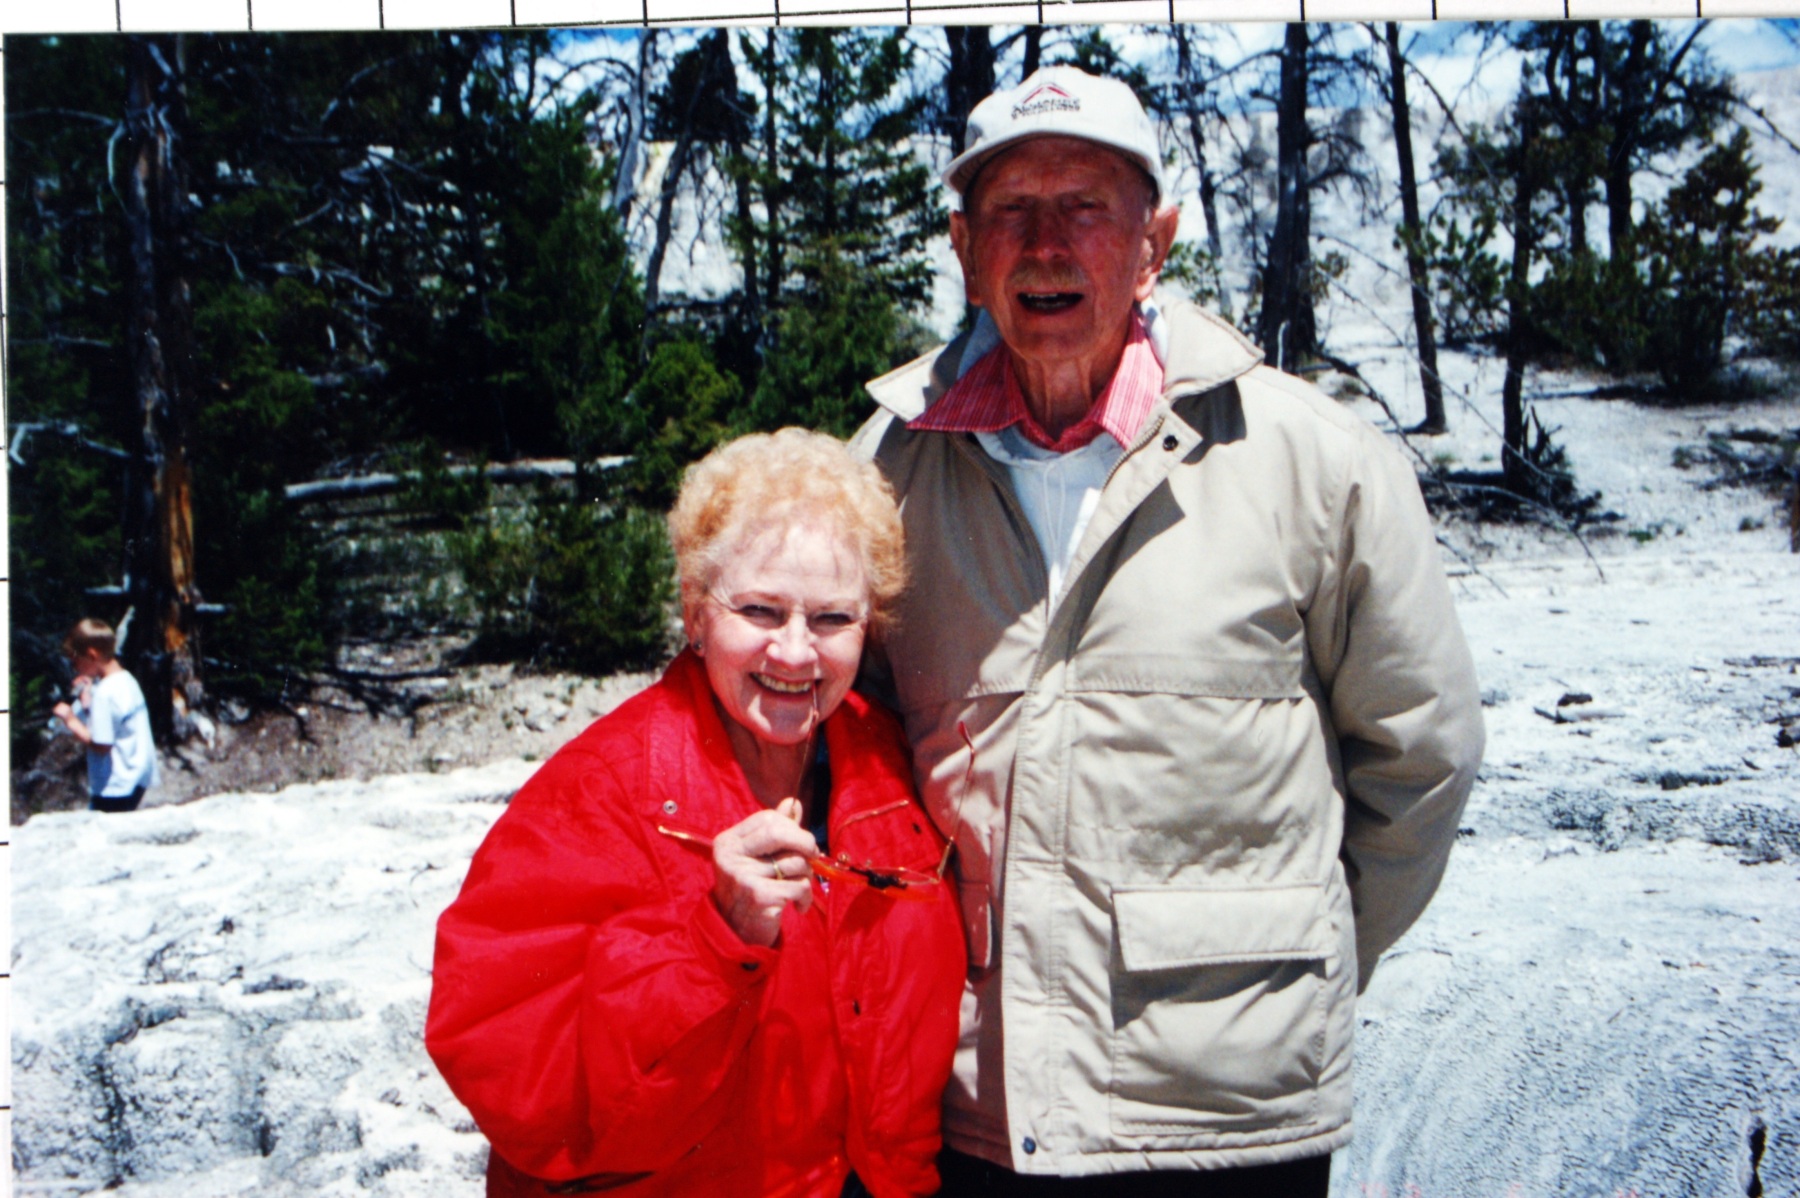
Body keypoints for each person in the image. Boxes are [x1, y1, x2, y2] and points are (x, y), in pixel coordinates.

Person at [851, 67, 1486, 1195]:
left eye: (1086, 206)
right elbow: (839, 746)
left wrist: (1287, 961)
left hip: (1231, 1118)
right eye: (1011, 209)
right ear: (964, 248)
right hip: (970, 1106)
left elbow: (1421, 754)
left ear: (1155, 244)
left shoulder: (1312, 457)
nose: (1046, 244)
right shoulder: (885, 470)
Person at [426, 429, 966, 1198]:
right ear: (694, 613)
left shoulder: (888, 763)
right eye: (760, 610)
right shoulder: (597, 792)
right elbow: (515, 1081)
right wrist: (717, 940)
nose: (795, 652)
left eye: (831, 619)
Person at [52, 618, 159, 813]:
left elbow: (102, 745)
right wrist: (87, 706)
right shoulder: (126, 680)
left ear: (92, 656)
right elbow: (113, 723)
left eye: (76, 661)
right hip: (136, 776)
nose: (74, 667)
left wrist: (71, 720)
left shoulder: (104, 694)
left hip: (115, 785)